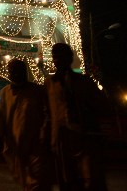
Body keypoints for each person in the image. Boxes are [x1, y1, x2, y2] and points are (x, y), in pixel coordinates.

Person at [45, 42, 109, 191]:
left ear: (70, 58)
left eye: (62, 56)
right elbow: (48, 111)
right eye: (55, 57)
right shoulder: (50, 83)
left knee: (90, 178)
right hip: (61, 137)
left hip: (84, 135)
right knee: (67, 179)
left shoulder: (84, 81)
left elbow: (102, 106)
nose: (58, 60)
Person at [0, 58, 52, 191]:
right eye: (12, 71)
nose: (15, 73)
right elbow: (0, 115)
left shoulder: (37, 91)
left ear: (25, 72)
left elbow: (47, 113)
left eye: (18, 70)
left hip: (36, 143)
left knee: (37, 180)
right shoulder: (5, 92)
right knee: (24, 178)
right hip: (15, 144)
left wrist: (44, 132)